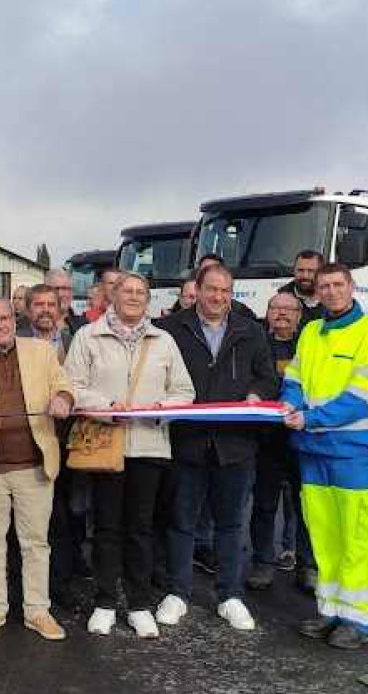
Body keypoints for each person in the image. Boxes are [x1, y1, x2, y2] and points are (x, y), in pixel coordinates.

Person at [64, 272, 196, 638]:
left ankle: (139, 604)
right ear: (113, 295)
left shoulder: (164, 340)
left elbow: (185, 391)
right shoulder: (87, 337)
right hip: (106, 446)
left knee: (141, 529)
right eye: (127, 291)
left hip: (150, 446)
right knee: (106, 528)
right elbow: (72, 385)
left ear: (148, 299)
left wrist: (159, 407)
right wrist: (106, 407)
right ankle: (105, 601)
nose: (134, 297)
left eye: (141, 292)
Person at [281, 263, 368, 650]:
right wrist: (291, 406)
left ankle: (357, 620)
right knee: (324, 538)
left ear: (351, 287)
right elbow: (293, 380)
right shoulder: (311, 332)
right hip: (313, 450)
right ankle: (330, 610)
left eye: (337, 284)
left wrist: (309, 418)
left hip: (353, 453)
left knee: (355, 538)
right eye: (323, 286)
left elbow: (363, 398)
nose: (330, 291)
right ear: (316, 291)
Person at [161, 264, 275, 632]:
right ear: (198, 288)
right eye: (212, 289)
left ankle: (230, 596)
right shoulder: (170, 330)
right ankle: (178, 592)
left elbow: (267, 376)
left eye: (226, 291)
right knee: (181, 522)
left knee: (230, 524)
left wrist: (258, 394)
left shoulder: (250, 330)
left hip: (235, 445)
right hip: (186, 443)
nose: (219, 297)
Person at [0, 298, 73, 642]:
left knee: (36, 544)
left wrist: (63, 400)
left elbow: (64, 386)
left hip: (35, 465)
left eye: (4, 318)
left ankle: (37, 611)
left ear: (14, 319)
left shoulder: (41, 351)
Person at [17, 284, 82, 610]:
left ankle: (59, 584)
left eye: (50, 304)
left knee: (62, 516)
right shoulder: (15, 341)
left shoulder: (75, 340)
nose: (45, 310)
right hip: (26, 440)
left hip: (67, 439)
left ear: (60, 308)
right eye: (38, 304)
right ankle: (18, 586)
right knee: (24, 519)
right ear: (28, 310)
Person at [246, 292, 308, 590]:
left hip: (303, 435)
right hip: (266, 439)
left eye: (288, 309)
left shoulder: (310, 344)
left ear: (298, 314)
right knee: (264, 504)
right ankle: (262, 563)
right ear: (267, 312)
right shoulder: (254, 343)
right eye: (275, 308)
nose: (281, 313)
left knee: (305, 505)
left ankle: (307, 565)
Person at [278, 250, 325, 325]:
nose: (305, 276)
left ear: (322, 272)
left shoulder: (333, 300)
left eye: (311, 271)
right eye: (300, 270)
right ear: (294, 271)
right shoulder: (280, 301)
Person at [43, 268, 85, 336]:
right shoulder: (29, 324)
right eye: (57, 288)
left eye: (68, 289)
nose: (63, 294)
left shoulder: (83, 325)